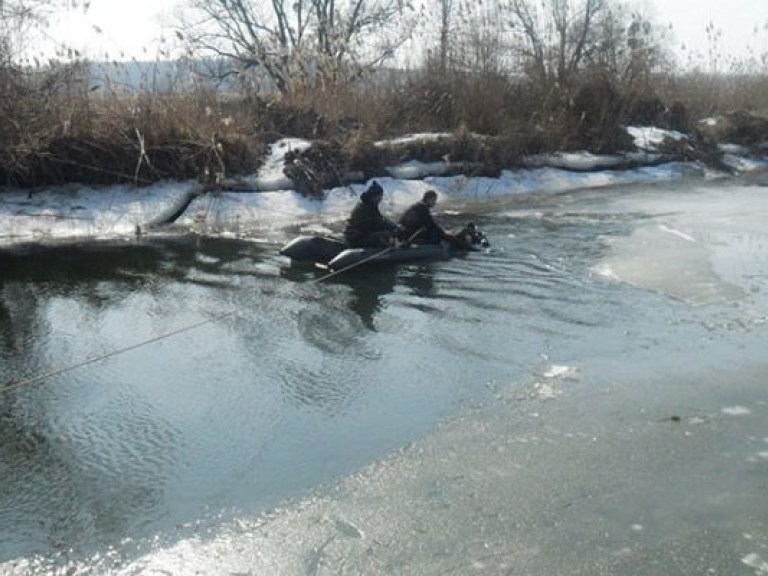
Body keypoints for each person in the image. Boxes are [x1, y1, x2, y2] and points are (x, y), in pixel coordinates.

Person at [343, 181, 400, 248]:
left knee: (386, 232)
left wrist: (393, 226)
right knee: (384, 234)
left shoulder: (371, 206)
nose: (381, 199)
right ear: (373, 197)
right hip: (357, 238)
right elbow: (372, 223)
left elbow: (381, 219)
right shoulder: (363, 208)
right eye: (379, 196)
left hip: (363, 234)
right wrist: (388, 228)